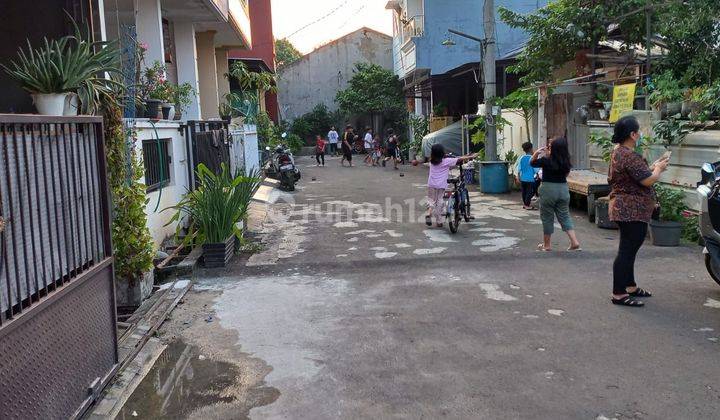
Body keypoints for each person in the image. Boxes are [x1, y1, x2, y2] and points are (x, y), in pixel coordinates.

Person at [608, 115, 669, 307]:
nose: (640, 134)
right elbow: (647, 180)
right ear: (633, 135)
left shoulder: (619, 152)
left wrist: (652, 168)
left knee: (629, 249)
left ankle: (630, 286)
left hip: (624, 208)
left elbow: (637, 175)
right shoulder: (628, 155)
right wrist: (658, 169)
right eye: (638, 131)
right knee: (627, 251)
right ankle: (619, 293)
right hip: (631, 210)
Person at [530, 137, 581, 251]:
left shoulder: (546, 160)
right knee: (565, 216)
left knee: (547, 217)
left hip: (548, 189)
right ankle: (574, 242)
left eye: (550, 146)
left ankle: (547, 245)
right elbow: (566, 174)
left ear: (553, 149)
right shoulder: (566, 161)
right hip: (563, 189)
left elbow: (532, 163)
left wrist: (536, 153)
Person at [426, 144, 477, 227]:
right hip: (441, 185)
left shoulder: (431, 161)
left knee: (431, 200)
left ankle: (429, 213)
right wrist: (471, 156)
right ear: (442, 153)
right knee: (439, 201)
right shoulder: (446, 161)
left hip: (431, 184)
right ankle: (439, 221)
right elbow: (459, 159)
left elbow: (447, 167)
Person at [516, 141, 540, 210]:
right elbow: (536, 169)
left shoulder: (522, 158)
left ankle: (525, 204)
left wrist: (518, 177)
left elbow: (519, 168)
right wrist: (538, 175)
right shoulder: (532, 158)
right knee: (529, 192)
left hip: (523, 178)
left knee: (524, 191)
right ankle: (527, 205)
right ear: (531, 149)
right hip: (530, 179)